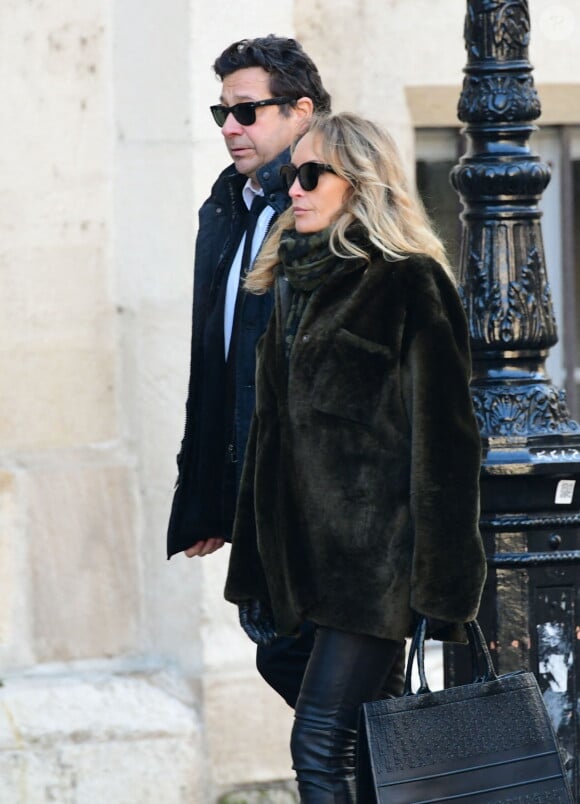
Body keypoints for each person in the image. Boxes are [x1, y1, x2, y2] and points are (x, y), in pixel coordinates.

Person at [224, 113, 488, 802]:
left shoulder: (408, 283)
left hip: (375, 566)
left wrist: (443, 586)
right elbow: (270, 440)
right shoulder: (291, 286)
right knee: (376, 742)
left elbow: (449, 443)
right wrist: (255, 565)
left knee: (318, 744)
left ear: (362, 185)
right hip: (304, 562)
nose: (295, 190)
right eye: (290, 175)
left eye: (313, 175)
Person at [165, 38, 411, 709]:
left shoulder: (327, 213)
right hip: (261, 504)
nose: (230, 128)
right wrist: (210, 492)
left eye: (246, 111)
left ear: (302, 110)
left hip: (329, 518)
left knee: (325, 704)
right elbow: (217, 366)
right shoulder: (227, 212)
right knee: (300, 676)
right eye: (221, 114)